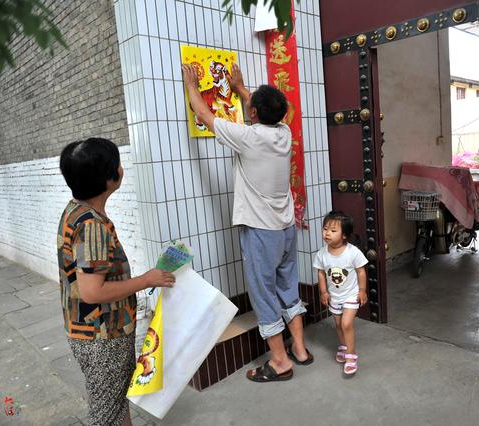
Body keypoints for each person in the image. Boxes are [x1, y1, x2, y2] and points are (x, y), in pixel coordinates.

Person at [182, 63, 312, 382]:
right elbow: (261, 108)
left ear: (253, 112)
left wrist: (191, 84)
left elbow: (203, 113)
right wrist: (240, 88)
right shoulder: (283, 133)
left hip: (262, 233)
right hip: (285, 229)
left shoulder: (248, 137)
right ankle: (301, 349)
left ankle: (280, 362)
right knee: (287, 286)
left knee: (263, 294)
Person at [58, 138, 176, 425]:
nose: (122, 169)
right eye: (118, 164)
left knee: (113, 402)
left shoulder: (77, 210)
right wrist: (145, 280)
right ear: (109, 178)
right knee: (106, 414)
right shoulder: (92, 226)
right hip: (102, 337)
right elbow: (91, 291)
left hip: (92, 331)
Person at [313, 211, 368, 375]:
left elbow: (361, 272)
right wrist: (323, 292)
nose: (327, 233)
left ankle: (351, 356)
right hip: (334, 297)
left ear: (344, 235)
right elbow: (321, 273)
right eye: (325, 229)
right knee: (337, 324)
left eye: (333, 230)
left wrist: (362, 291)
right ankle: (344, 346)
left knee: (346, 324)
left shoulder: (353, 252)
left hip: (351, 295)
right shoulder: (322, 254)